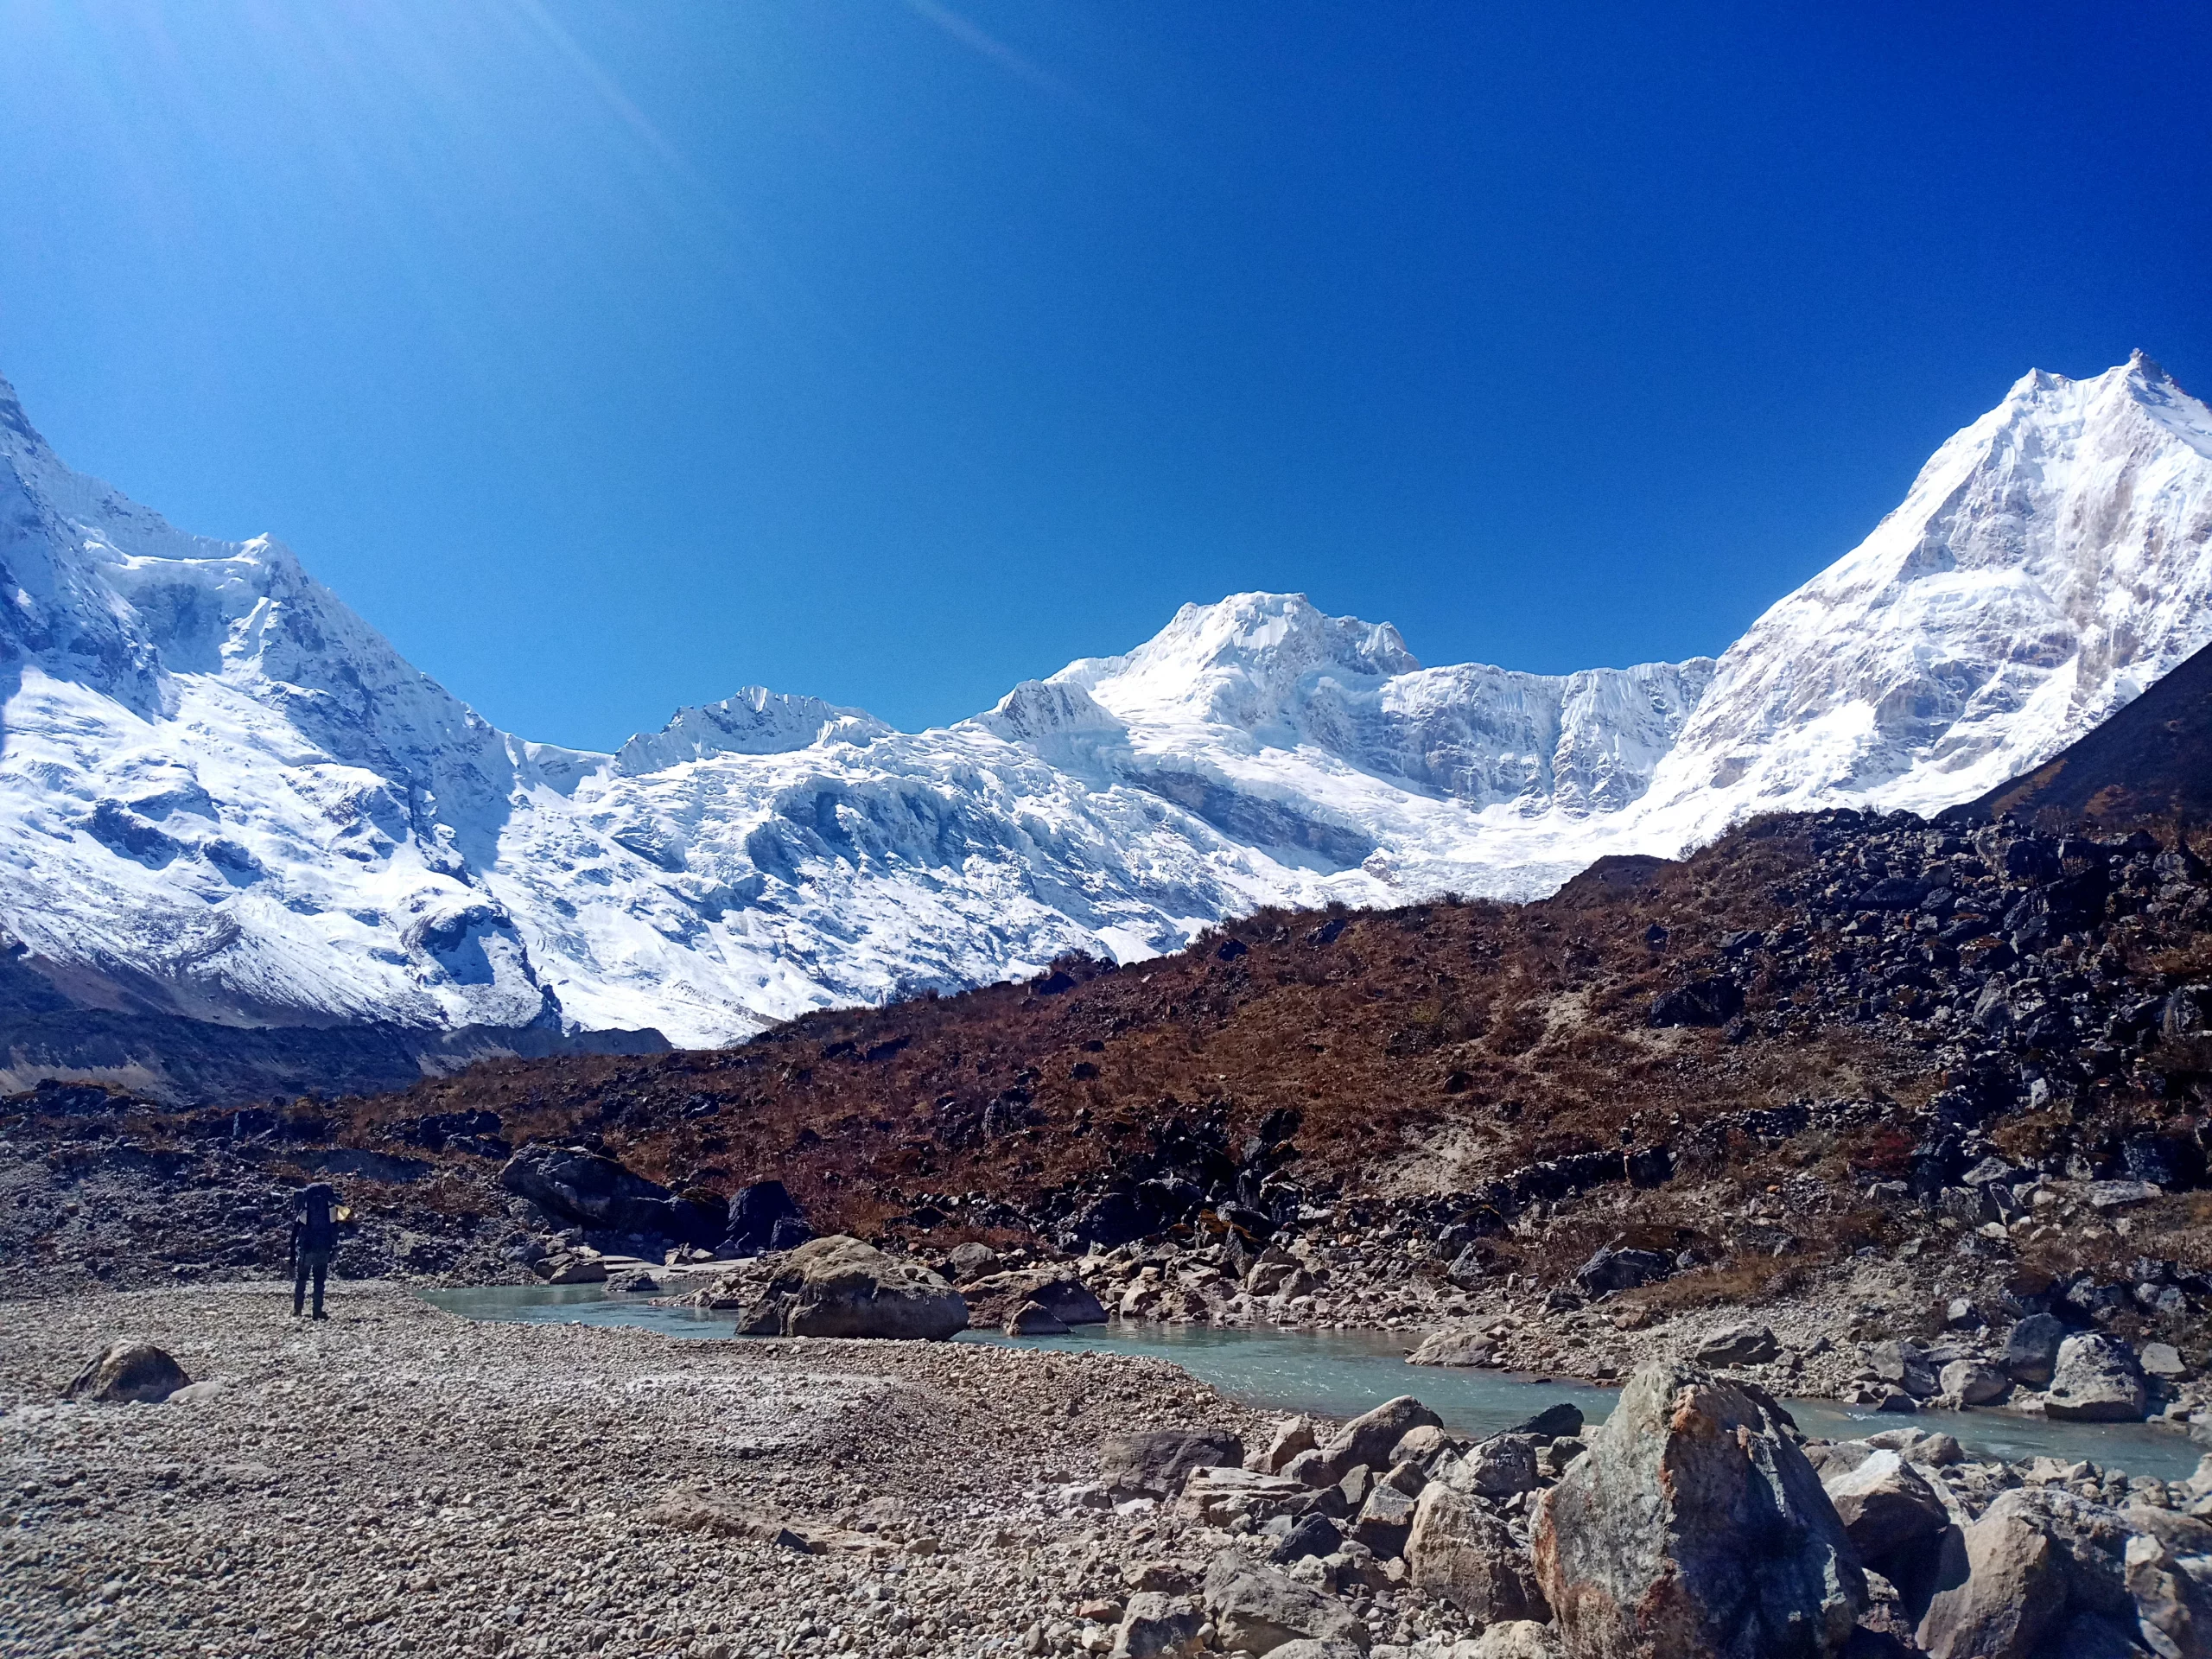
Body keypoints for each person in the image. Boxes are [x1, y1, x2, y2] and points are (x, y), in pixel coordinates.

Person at [289, 1181, 340, 1319]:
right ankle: (317, 1311)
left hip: (306, 1248)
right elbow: (336, 1228)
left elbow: (295, 1232)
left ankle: (297, 1310)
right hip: (323, 1249)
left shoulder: (306, 1208)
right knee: (319, 1281)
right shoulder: (330, 1209)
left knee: (301, 1279)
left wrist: (292, 1254)